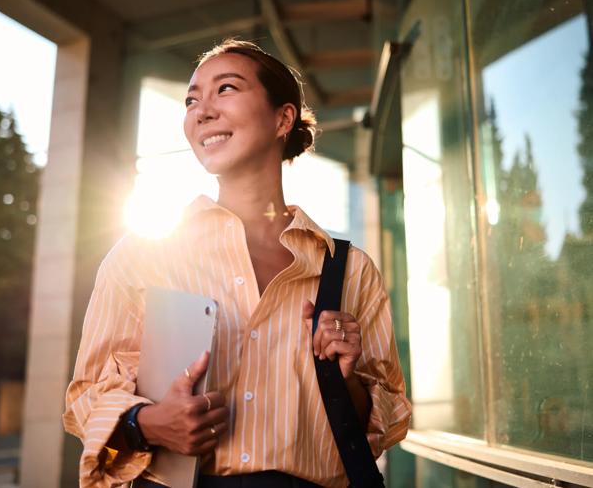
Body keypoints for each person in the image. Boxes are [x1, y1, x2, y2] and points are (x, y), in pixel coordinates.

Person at [63, 39, 411, 488]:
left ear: (283, 118)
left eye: (225, 89)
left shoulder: (349, 270)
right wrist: (146, 423)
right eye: (191, 99)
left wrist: (346, 379)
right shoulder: (143, 255)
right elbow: (86, 398)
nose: (201, 111)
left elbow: (382, 426)